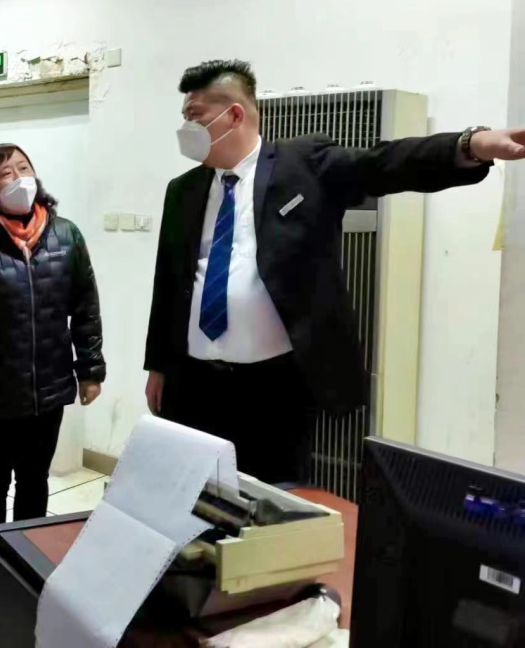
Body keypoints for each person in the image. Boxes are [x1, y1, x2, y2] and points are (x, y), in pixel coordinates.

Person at [144, 59, 525, 485]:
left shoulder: (303, 164)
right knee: (194, 491)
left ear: (234, 115)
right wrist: (158, 366)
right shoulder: (184, 190)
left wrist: (470, 145)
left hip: (273, 387)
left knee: (269, 498)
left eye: (195, 116)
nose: (186, 128)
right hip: (194, 382)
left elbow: (383, 163)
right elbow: (169, 283)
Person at [0, 143, 106, 627]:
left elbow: (85, 304)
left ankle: (28, 569)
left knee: (34, 483)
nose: (18, 178)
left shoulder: (66, 234)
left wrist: (90, 367)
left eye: (24, 168)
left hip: (50, 386)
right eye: (5, 174)